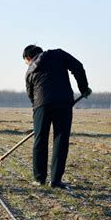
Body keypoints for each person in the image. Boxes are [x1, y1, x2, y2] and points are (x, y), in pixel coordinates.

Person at [23, 45, 92, 189]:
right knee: (61, 140)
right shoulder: (59, 54)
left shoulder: (29, 71)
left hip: (41, 105)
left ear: (28, 58)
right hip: (63, 103)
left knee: (40, 139)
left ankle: (39, 179)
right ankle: (55, 180)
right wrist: (83, 88)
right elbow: (78, 67)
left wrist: (37, 114)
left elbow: (31, 94)